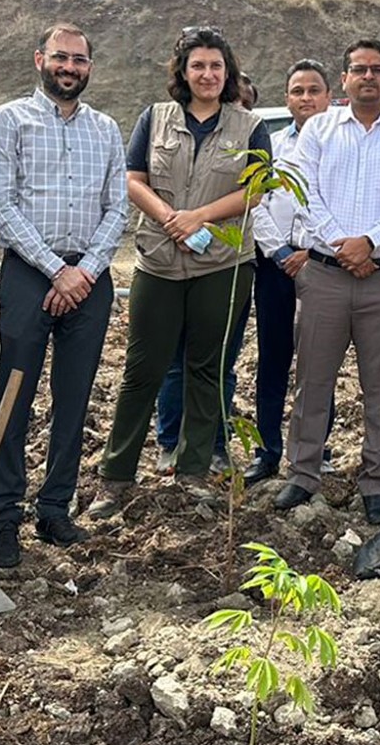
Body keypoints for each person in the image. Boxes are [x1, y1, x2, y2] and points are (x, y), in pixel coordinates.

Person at [90, 27, 272, 513]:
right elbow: (133, 178)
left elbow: (256, 189)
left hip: (223, 262)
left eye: (216, 66)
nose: (207, 74)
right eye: (198, 66)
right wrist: (170, 217)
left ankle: (193, 470)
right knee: (143, 369)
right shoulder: (155, 118)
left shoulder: (250, 126)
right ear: (183, 73)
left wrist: (200, 216)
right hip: (159, 259)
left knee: (206, 368)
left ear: (228, 73)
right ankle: (116, 475)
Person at [0, 24, 128, 567]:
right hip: (29, 272)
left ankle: (54, 508)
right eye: (61, 57)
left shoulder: (105, 128)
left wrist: (83, 272)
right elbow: (0, 202)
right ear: (40, 59)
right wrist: (54, 270)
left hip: (89, 277)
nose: (70, 67)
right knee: (14, 394)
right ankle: (3, 516)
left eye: (80, 60)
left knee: (74, 396)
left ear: (89, 67)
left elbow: (118, 207)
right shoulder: (10, 119)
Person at [273, 40, 380, 523]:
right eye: (359, 69)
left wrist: (369, 241)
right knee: (312, 380)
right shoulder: (319, 130)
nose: (368, 77)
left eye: (377, 70)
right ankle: (303, 473)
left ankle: (376, 481)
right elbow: (303, 192)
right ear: (343, 79)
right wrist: (344, 246)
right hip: (325, 276)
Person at [154, 71, 262, 472]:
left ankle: (214, 445)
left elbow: (254, 200)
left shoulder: (252, 148)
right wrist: (181, 226)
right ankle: (171, 442)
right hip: (173, 259)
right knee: (175, 362)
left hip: (227, 265)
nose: (233, 111)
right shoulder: (182, 137)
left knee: (219, 364)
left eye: (242, 105)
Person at [244, 60, 334, 484]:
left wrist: (311, 251)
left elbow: (341, 205)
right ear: (287, 98)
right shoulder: (271, 145)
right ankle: (267, 450)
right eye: (298, 91)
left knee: (319, 361)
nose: (306, 98)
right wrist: (280, 251)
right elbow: (254, 202)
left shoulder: (342, 145)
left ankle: (318, 447)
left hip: (324, 265)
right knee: (273, 357)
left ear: (329, 97)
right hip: (274, 265)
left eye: (314, 90)